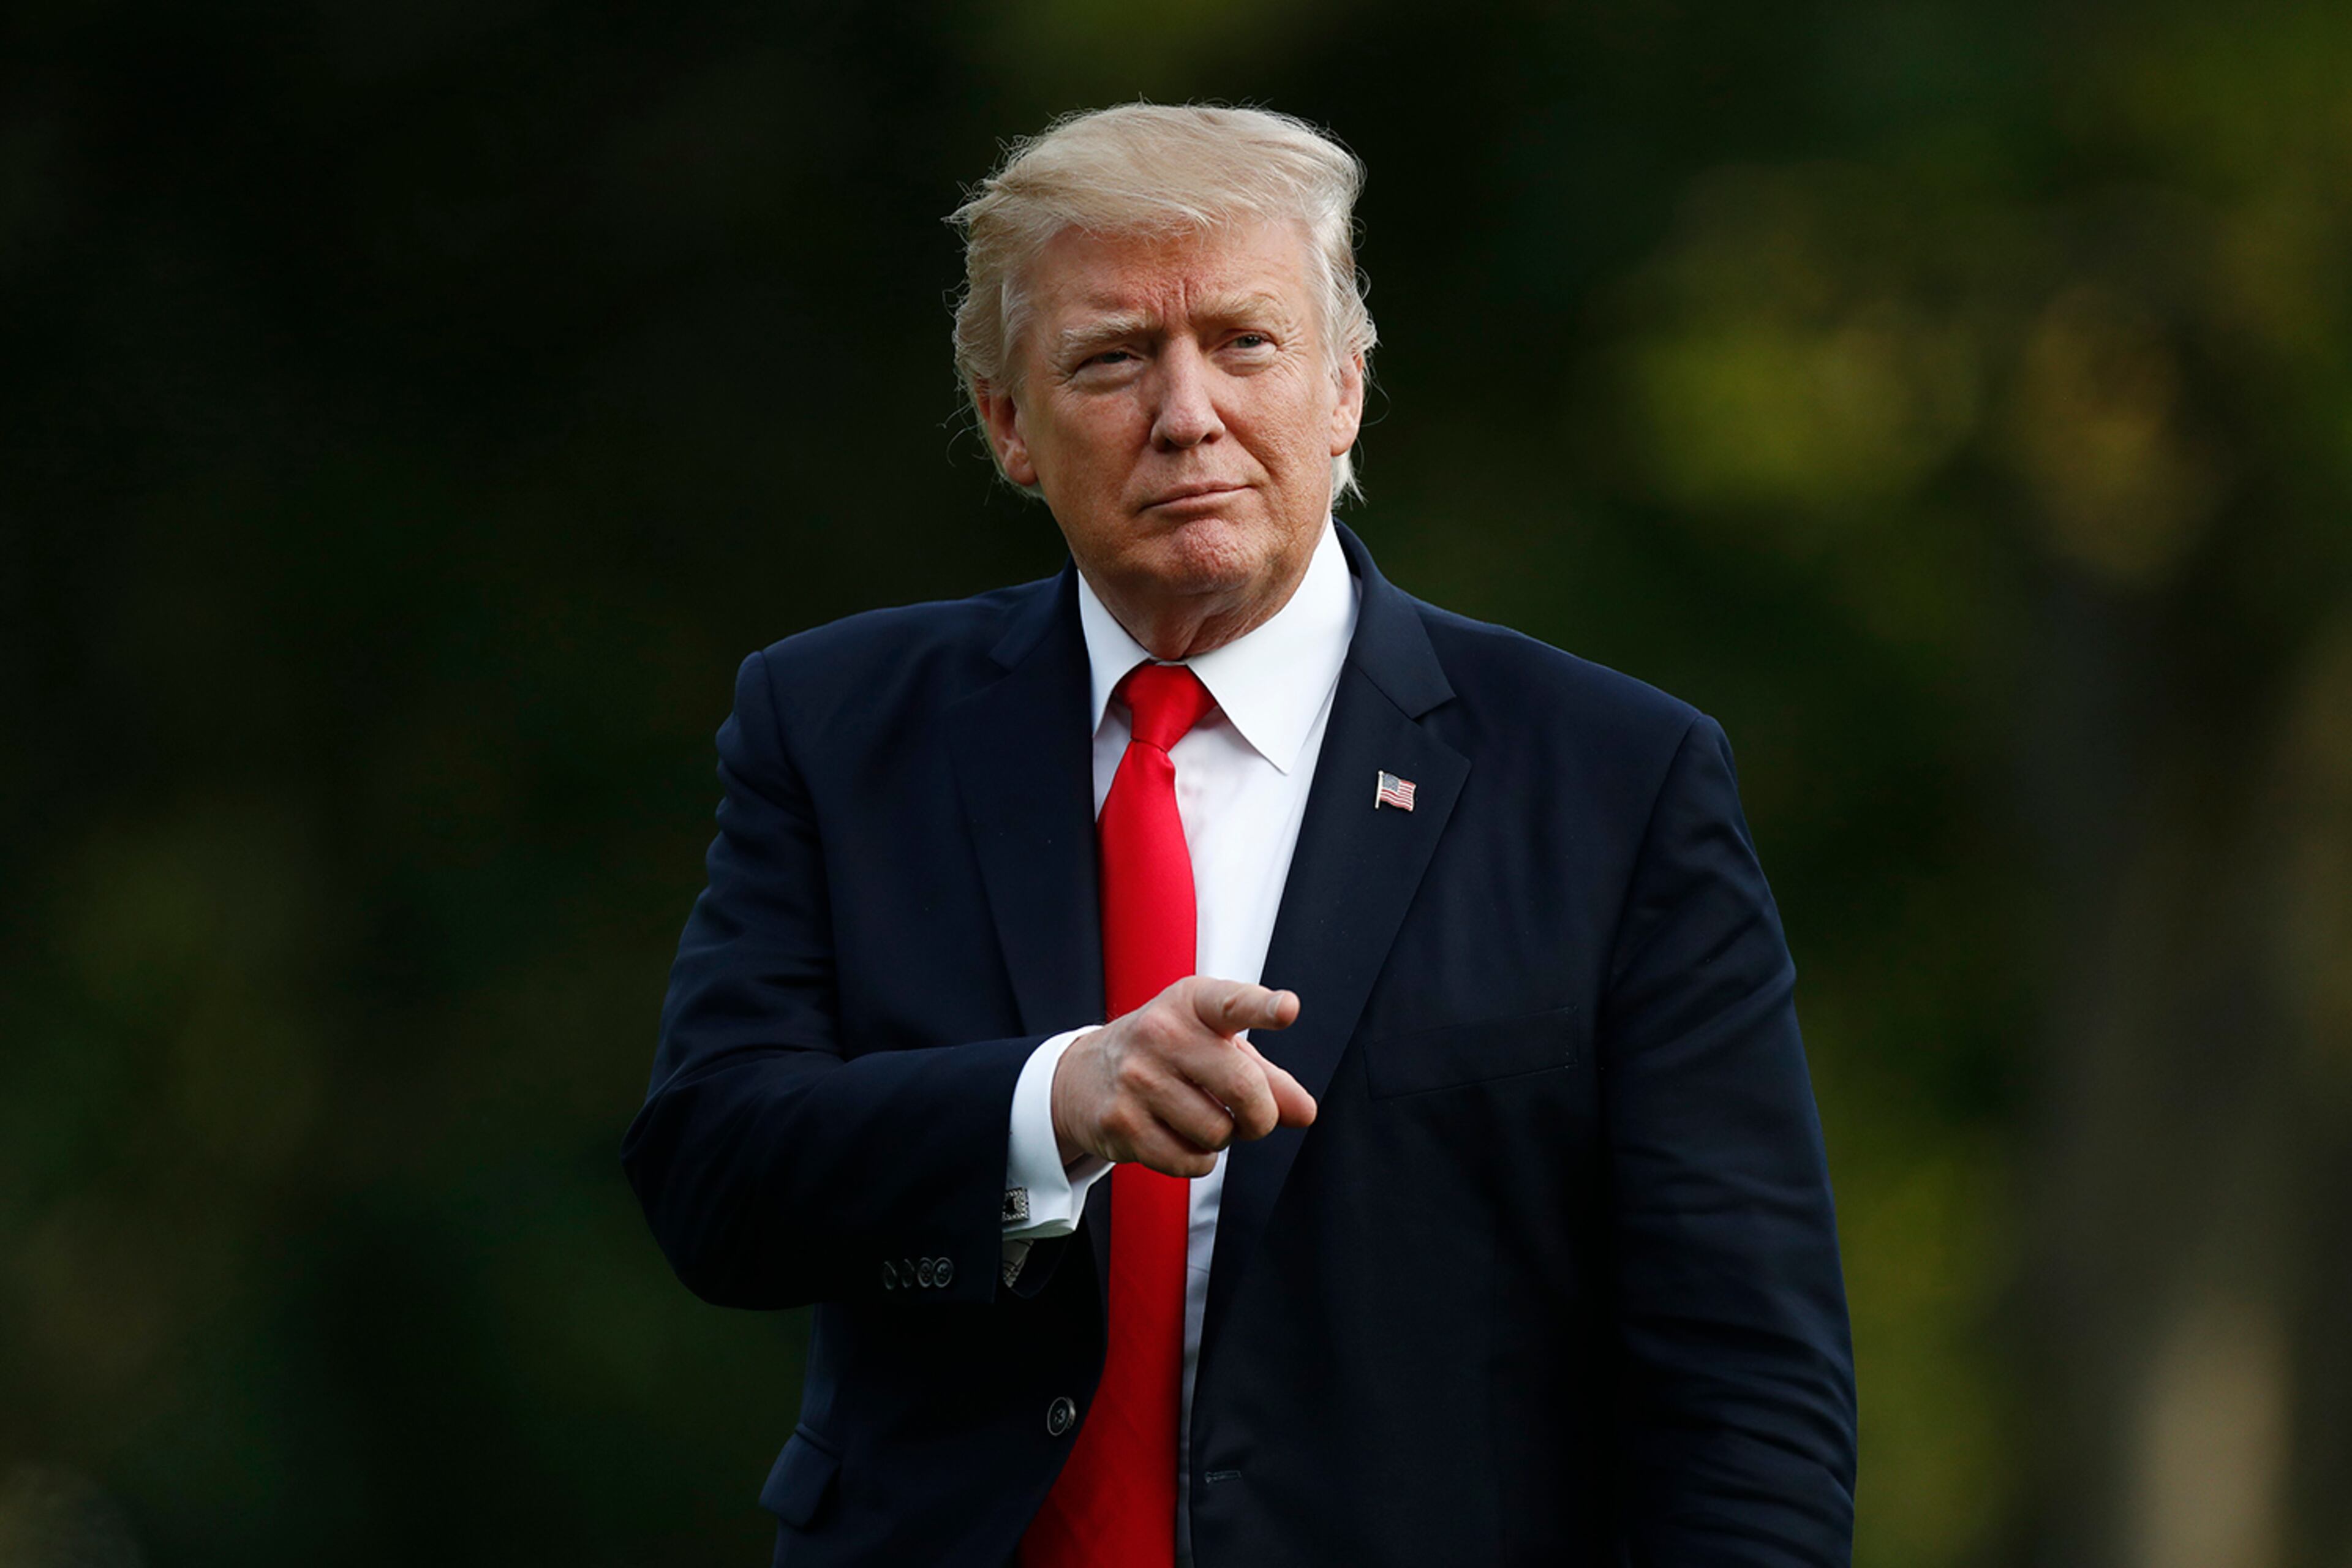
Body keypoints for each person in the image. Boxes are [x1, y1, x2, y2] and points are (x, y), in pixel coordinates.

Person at [622, 102, 1856, 1567]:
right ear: (1010, 423)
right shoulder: (836, 725)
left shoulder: (1611, 780)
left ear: (1344, 386)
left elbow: (1749, 1384)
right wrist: (1053, 1102)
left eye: (1245, 342)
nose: (1187, 410)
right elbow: (715, 1177)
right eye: (1113, 357)